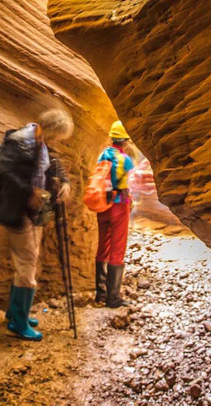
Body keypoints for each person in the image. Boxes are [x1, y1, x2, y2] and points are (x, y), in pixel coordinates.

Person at [0, 108, 73, 340]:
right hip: (17, 211)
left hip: (32, 213)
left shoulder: (40, 142)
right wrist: (29, 192)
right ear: (47, 130)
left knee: (28, 261)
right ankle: (18, 323)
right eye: (56, 138)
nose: (56, 143)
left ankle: (15, 313)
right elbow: (3, 173)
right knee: (26, 265)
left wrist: (64, 182)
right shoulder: (20, 143)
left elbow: (52, 163)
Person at [95, 120, 136, 308]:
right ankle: (113, 298)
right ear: (125, 141)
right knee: (117, 248)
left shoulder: (102, 154)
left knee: (103, 244)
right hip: (119, 206)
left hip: (103, 204)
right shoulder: (124, 159)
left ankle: (101, 294)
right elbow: (126, 183)